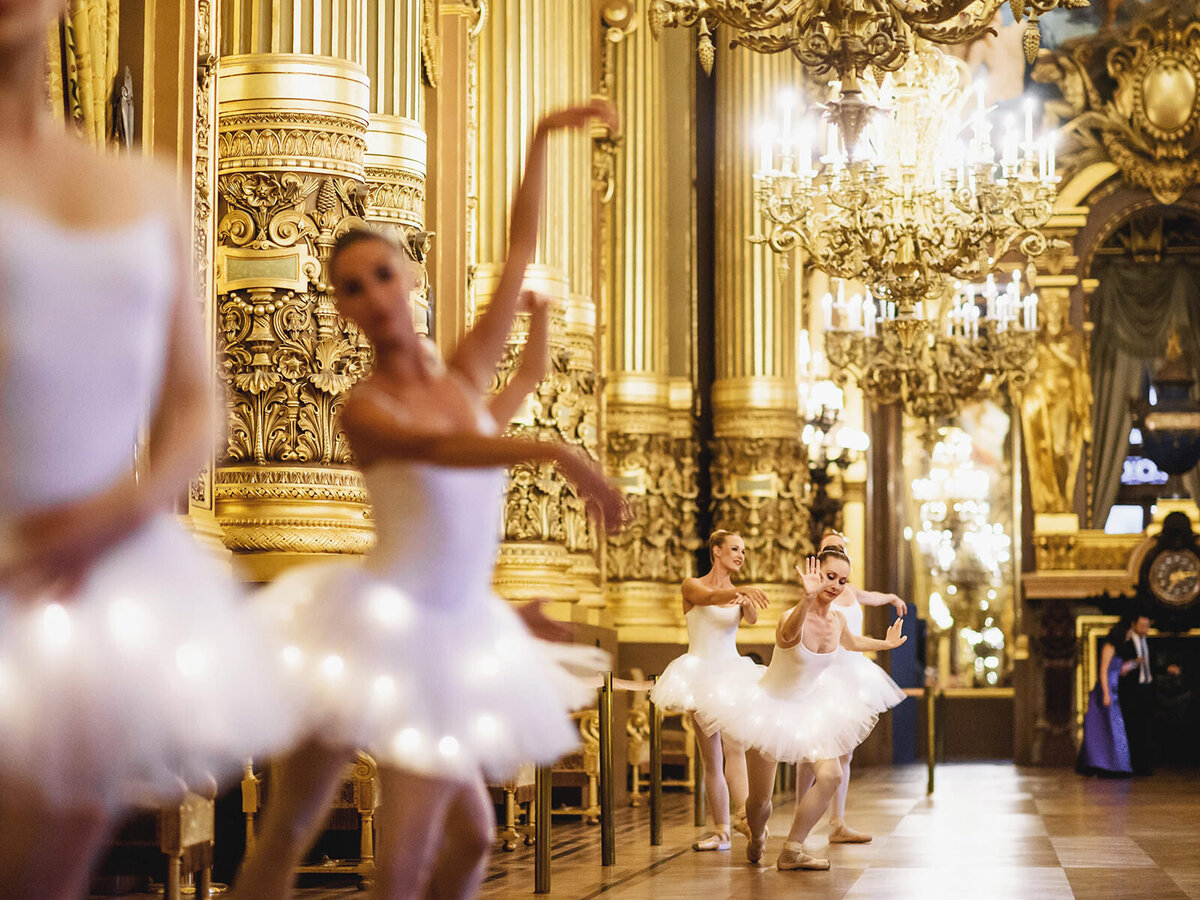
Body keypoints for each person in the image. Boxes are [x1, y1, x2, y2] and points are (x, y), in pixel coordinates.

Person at [228, 100, 627, 900]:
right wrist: (554, 449)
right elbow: (446, 454)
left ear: (408, 276)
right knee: (299, 838)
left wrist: (545, 135)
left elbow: (517, 255)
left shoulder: (463, 377)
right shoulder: (366, 408)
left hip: (451, 627)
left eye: (383, 274)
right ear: (338, 307)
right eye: (352, 287)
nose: (374, 295)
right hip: (376, 628)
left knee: (471, 841)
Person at [0, 0, 297, 895]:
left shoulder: (146, 187)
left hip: (103, 574)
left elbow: (199, 407)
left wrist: (117, 515)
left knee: (55, 848)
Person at [698, 550, 906, 872]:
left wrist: (885, 644)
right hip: (770, 709)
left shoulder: (836, 619)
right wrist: (807, 600)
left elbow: (849, 642)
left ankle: (793, 848)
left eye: (842, 580)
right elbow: (788, 636)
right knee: (760, 804)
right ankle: (755, 836)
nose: (836, 585)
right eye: (829, 577)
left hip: (810, 708)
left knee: (831, 776)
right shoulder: (791, 616)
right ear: (814, 575)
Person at [649, 530, 770, 851]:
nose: (740, 555)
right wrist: (739, 592)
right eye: (734, 548)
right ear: (716, 551)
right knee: (711, 756)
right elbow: (708, 598)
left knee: (735, 746)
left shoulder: (737, 594)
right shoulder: (692, 585)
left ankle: (744, 816)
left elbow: (753, 619)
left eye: (743, 550)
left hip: (732, 672)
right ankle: (721, 832)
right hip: (699, 672)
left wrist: (746, 602)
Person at [793, 530, 909, 844]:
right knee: (810, 753)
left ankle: (837, 821)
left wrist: (891, 599)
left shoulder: (849, 590)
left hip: (853, 675)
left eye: (842, 549)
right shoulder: (815, 595)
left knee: (844, 755)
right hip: (825, 674)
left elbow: (869, 601)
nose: (836, 581)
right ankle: (800, 818)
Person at [1116, 614, 1178, 775]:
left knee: (1146, 728)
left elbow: (1152, 667)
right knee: (1132, 728)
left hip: (1147, 691)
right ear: (1134, 625)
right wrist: (1133, 663)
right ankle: (1130, 764)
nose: (1145, 629)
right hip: (1131, 693)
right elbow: (1119, 669)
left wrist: (1166, 669)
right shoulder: (1126, 645)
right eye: (1143, 625)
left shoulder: (1150, 644)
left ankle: (1143, 765)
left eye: (1147, 626)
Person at [1076, 616, 1135, 778]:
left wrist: (1132, 665)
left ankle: (1116, 765)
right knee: (1103, 729)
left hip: (1113, 690)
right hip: (1105, 691)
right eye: (1128, 633)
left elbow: (1119, 670)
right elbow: (1103, 671)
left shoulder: (1118, 649)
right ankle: (1104, 764)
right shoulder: (1108, 647)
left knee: (1115, 729)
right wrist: (1106, 693)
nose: (1129, 636)